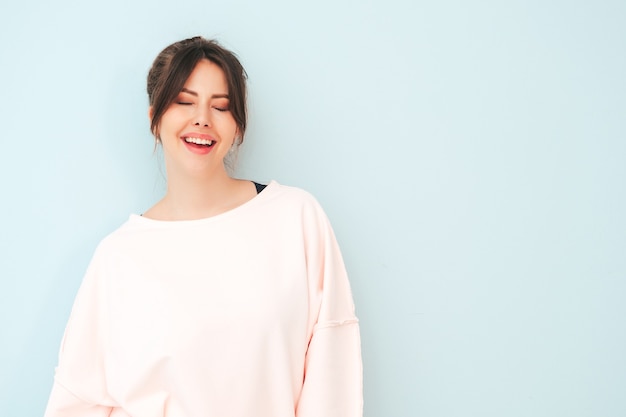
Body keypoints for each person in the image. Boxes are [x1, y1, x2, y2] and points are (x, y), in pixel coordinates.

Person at [44, 36, 362, 417]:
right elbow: (78, 401)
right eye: (183, 101)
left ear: (238, 126)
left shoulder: (296, 218)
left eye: (221, 106)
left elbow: (333, 374)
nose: (202, 119)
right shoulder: (118, 257)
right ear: (154, 119)